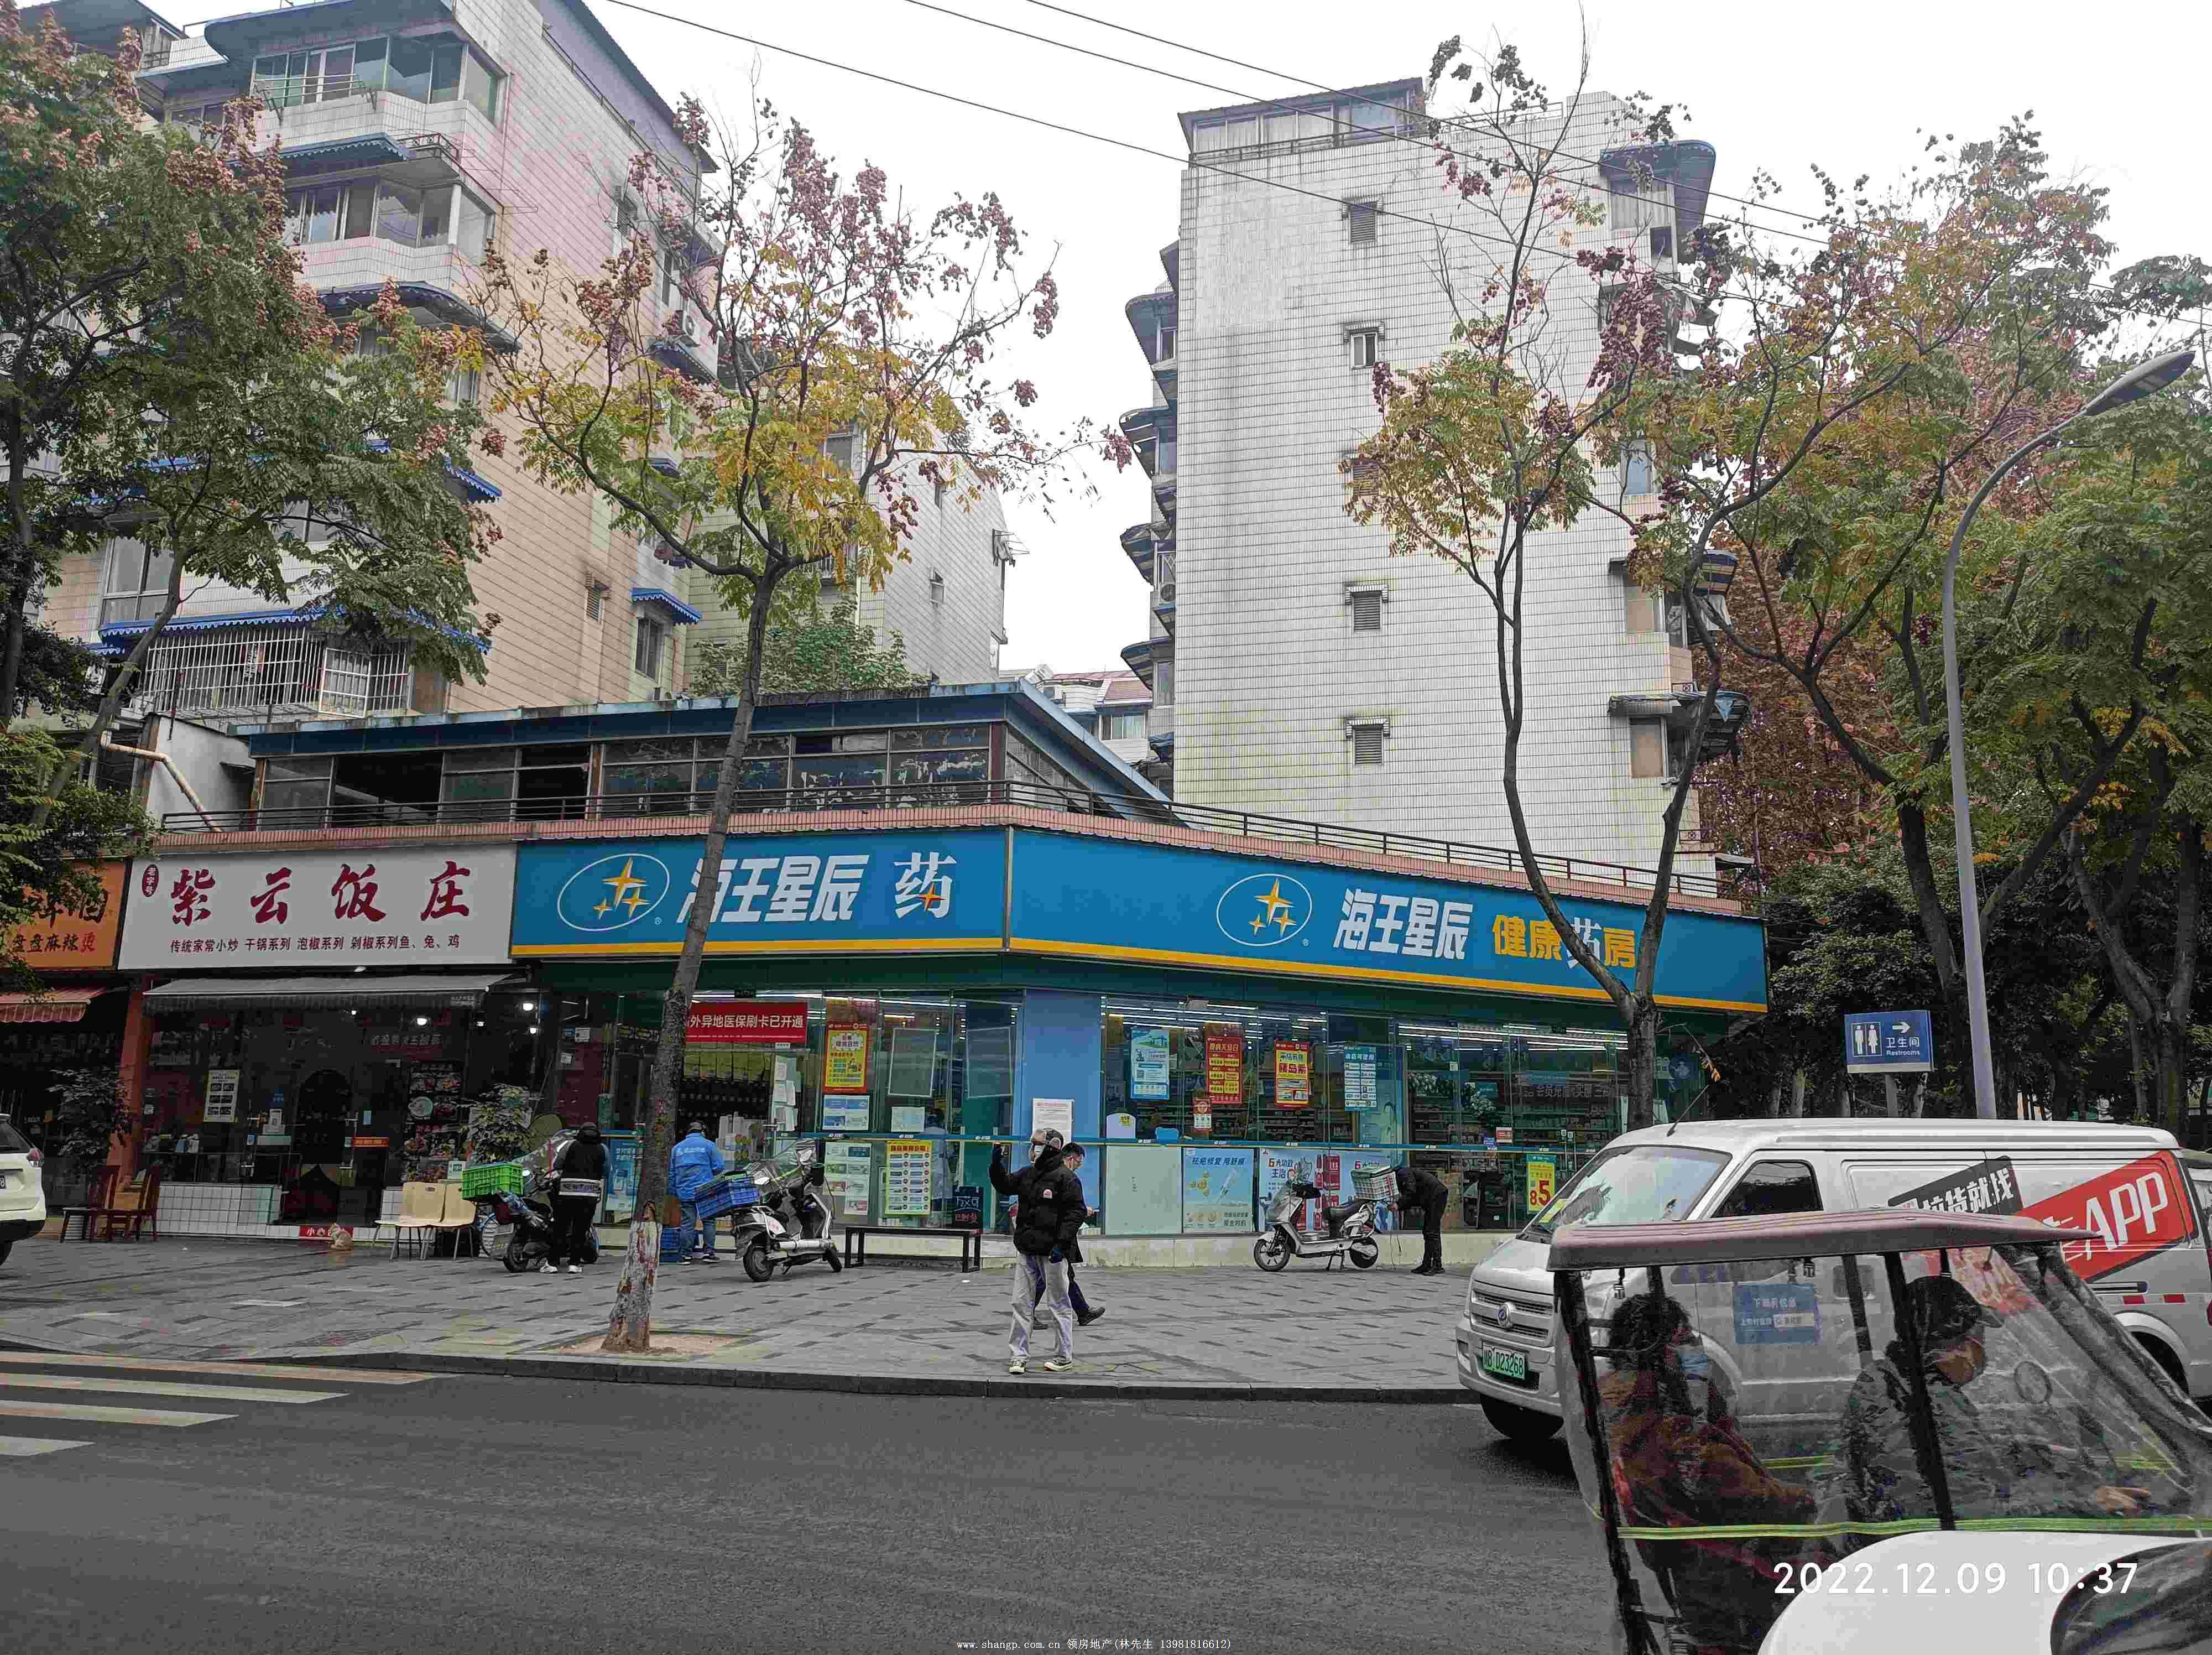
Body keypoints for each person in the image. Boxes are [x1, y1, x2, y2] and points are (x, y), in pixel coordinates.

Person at [1837, 1273, 2152, 1526]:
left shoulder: (1898, 1381)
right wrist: (2085, 1503)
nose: (1982, 1350)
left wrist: (2034, 1452)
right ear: (1954, 1343)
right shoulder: (1920, 1399)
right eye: (1979, 1338)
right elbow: (1975, 1510)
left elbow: (1960, 1461)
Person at [1599, 1290, 1814, 1655]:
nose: (1696, 1349)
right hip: (1737, 1582)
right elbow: (1752, 1498)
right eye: (1685, 1341)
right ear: (1660, 1356)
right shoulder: (1672, 1434)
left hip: (1710, 1574)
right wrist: (1813, 1498)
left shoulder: (1642, 1418)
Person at [989, 1127, 1086, 1374]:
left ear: (1052, 1147)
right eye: (1032, 1144)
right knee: (1021, 1303)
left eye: (1037, 1144)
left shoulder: (1066, 1178)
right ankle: (1018, 1356)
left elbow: (1076, 1213)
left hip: (1053, 1252)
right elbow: (1004, 1185)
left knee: (1059, 1304)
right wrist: (997, 1163)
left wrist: (1061, 1244)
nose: (1033, 1149)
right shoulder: (1028, 1174)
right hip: (1027, 1249)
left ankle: (1063, 1356)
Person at [546, 1122, 606, 1277]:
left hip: (567, 1194)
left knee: (561, 1228)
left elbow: (558, 1164)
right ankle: (574, 1264)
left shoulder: (570, 1145)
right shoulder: (603, 1149)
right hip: (589, 1196)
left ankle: (552, 1264)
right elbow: (606, 1171)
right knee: (580, 1230)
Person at [669, 1120, 726, 1264]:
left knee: (687, 1224)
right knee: (709, 1221)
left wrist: (674, 1191)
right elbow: (719, 1167)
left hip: (685, 1191)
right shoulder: (709, 1145)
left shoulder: (677, 1149)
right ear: (703, 1131)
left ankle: (685, 1256)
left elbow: (671, 1174)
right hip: (705, 1190)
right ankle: (709, 1254)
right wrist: (708, 1173)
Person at [1061, 1141, 1104, 1328]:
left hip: (1059, 1235)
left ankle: (1083, 1312)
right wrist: (1082, 1210)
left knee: (1065, 1275)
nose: (1079, 1166)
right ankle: (1028, 1312)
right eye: (1079, 1162)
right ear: (1071, 1159)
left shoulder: (1057, 1175)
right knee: (1046, 1277)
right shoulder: (1065, 1177)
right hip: (1058, 1236)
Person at [1394, 1162, 1449, 1275]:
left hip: (1436, 1196)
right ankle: (1427, 1264)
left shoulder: (1403, 1173)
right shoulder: (1404, 1175)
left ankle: (1437, 1265)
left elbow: (1411, 1192)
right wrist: (1399, 1206)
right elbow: (1412, 1198)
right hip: (1432, 1198)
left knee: (1432, 1232)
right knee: (1428, 1232)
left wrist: (1398, 1205)